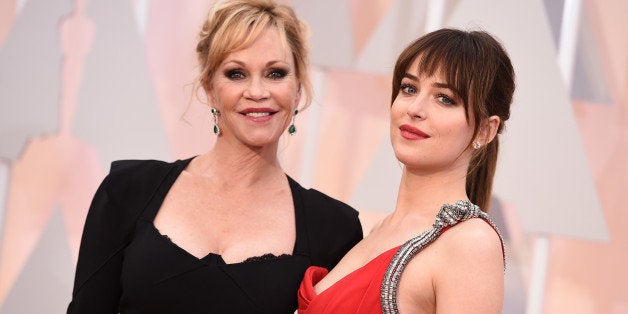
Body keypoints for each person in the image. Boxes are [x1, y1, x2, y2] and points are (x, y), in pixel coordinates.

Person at [67, 0, 362, 313]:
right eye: (236, 74)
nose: (258, 91)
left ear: (298, 88)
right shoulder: (127, 191)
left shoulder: (334, 229)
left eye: (276, 73)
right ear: (210, 87)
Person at [298, 28, 514, 313]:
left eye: (445, 98)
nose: (415, 108)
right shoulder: (374, 231)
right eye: (409, 89)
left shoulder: (471, 243)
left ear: (486, 130)